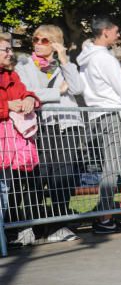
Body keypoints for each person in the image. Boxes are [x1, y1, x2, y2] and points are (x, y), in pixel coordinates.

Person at [15, 25, 85, 241]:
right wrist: (57, 91)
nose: (37, 43)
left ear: (54, 43)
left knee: (64, 179)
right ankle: (29, 226)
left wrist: (64, 58)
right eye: (35, 39)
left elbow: (77, 89)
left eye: (44, 40)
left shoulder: (65, 64)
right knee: (38, 176)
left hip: (67, 126)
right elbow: (27, 91)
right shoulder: (24, 64)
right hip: (42, 127)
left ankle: (58, 226)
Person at [77, 15, 121, 235]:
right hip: (112, 115)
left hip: (96, 115)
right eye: (116, 31)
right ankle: (105, 218)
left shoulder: (87, 57)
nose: (119, 35)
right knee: (113, 168)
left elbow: (100, 86)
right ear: (105, 32)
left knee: (110, 168)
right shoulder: (104, 58)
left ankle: (104, 214)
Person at [1, 33, 42, 246]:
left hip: (7, 141)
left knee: (6, 187)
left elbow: (27, 93)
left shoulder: (12, 75)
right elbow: (6, 103)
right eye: (5, 50)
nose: (10, 53)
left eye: (10, 49)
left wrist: (28, 99)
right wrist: (7, 106)